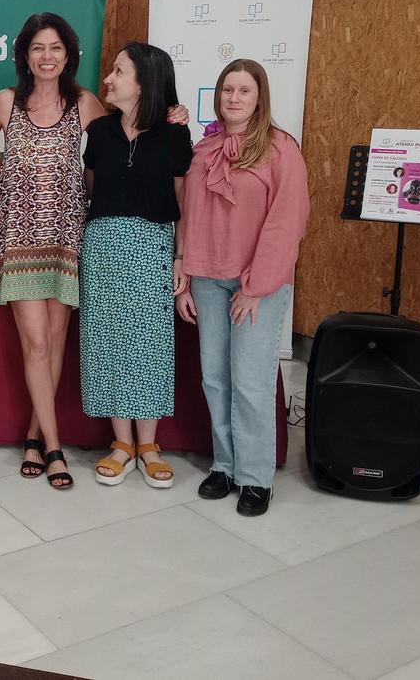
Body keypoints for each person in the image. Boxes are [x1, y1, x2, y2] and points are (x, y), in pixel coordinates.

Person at [0, 14, 189, 490]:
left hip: (71, 239)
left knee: (53, 343)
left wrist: (172, 114)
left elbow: (129, 135)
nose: (47, 56)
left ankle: (35, 432)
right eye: (38, 47)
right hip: (18, 237)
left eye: (56, 47)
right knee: (35, 343)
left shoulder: (86, 103)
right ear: (25, 55)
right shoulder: (5, 102)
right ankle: (54, 448)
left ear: (68, 54)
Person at [176, 58, 309, 517]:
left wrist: (257, 286)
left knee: (250, 381)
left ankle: (255, 477)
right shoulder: (202, 150)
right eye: (227, 90)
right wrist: (185, 272)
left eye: (244, 91)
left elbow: (285, 223)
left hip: (257, 284)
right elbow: (190, 214)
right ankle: (225, 465)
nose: (234, 98)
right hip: (208, 278)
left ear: (260, 97)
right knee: (215, 377)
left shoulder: (281, 150)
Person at [80, 43, 192, 488]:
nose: (108, 78)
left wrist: (181, 257)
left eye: (119, 71)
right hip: (103, 245)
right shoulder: (101, 130)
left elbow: (183, 201)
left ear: (144, 82)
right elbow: (92, 190)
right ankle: (121, 442)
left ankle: (148, 444)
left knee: (149, 342)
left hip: (152, 245)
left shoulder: (175, 133)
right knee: (106, 340)